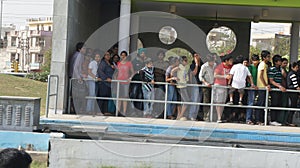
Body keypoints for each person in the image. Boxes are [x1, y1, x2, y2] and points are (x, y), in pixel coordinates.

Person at [213, 54, 233, 123]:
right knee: (219, 101)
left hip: (225, 86)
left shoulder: (231, 66)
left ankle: (220, 116)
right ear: (226, 61)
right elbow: (215, 75)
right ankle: (218, 117)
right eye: (230, 60)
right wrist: (224, 76)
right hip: (219, 85)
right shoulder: (220, 66)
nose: (231, 61)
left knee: (222, 102)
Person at [268, 54, 286, 126]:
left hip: (279, 89)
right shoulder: (272, 69)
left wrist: (282, 70)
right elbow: (271, 80)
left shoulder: (280, 69)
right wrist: (279, 86)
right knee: (274, 104)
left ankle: (277, 119)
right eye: (279, 61)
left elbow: (284, 76)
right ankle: (272, 120)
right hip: (275, 89)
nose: (281, 62)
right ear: (275, 62)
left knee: (278, 104)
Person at [116, 51, 134, 116]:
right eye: (122, 55)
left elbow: (132, 72)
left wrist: (130, 78)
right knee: (119, 97)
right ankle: (118, 111)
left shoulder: (129, 63)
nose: (123, 57)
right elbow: (116, 73)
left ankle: (124, 111)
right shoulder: (118, 63)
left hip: (126, 82)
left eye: (124, 55)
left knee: (125, 97)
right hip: (119, 82)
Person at [171, 56, 190, 120]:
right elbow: (173, 71)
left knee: (182, 100)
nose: (186, 62)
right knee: (186, 100)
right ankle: (181, 115)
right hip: (181, 86)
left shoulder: (184, 67)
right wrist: (173, 78)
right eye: (185, 60)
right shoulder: (180, 66)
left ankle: (180, 114)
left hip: (184, 85)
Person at [256, 50, 271, 125]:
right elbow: (261, 76)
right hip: (262, 86)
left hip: (264, 87)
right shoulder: (262, 64)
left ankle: (262, 119)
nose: (269, 58)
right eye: (268, 57)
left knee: (264, 104)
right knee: (261, 103)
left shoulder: (266, 65)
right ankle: (258, 120)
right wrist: (265, 85)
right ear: (264, 57)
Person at [199, 55, 216, 121]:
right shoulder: (204, 66)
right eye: (210, 62)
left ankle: (212, 116)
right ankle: (206, 115)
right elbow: (200, 76)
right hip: (206, 86)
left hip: (213, 85)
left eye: (213, 61)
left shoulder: (215, 65)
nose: (212, 63)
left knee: (213, 101)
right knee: (206, 101)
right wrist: (206, 83)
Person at [72, 42, 87, 114]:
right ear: (79, 49)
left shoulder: (76, 55)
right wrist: (79, 77)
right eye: (84, 48)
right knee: (79, 95)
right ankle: (77, 109)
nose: (85, 50)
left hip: (75, 76)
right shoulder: (79, 55)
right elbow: (76, 67)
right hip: (76, 78)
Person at [153, 50, 169, 118]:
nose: (160, 56)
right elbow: (153, 72)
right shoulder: (154, 63)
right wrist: (161, 71)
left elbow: (165, 72)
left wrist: (160, 71)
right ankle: (154, 112)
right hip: (154, 83)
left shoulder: (166, 64)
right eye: (159, 55)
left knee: (160, 98)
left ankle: (160, 112)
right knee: (154, 98)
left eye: (162, 55)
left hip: (162, 83)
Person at [245, 54, 260, 125]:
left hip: (258, 87)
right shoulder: (250, 67)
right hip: (251, 87)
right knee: (250, 102)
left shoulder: (258, 67)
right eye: (254, 60)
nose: (256, 62)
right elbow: (248, 77)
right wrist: (252, 84)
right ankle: (248, 119)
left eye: (257, 60)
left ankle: (255, 118)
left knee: (255, 103)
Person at [189, 52, 203, 121]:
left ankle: (195, 115)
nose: (196, 57)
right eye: (194, 56)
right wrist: (196, 64)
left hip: (201, 84)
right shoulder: (192, 65)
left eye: (197, 55)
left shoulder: (202, 64)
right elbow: (194, 73)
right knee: (194, 100)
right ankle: (191, 115)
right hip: (195, 84)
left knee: (198, 100)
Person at [286, 62, 300, 126]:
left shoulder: (292, 73)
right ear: (292, 67)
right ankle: (289, 121)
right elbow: (296, 85)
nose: (297, 69)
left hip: (292, 92)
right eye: (296, 67)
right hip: (292, 92)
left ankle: (289, 121)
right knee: (293, 106)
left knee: (293, 105)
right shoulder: (292, 74)